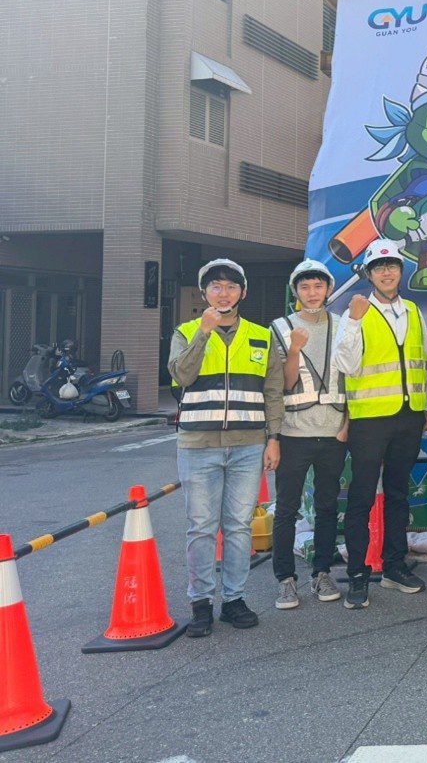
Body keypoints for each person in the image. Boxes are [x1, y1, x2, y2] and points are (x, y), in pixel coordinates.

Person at [168, 258, 284, 637]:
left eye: (231, 287)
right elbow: (181, 375)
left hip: (248, 446)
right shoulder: (186, 331)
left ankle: (234, 599)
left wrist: (273, 438)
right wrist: (203, 333)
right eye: (215, 286)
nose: (223, 293)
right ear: (205, 293)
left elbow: (273, 392)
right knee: (201, 527)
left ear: (243, 293)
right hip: (198, 445)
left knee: (238, 526)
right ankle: (201, 602)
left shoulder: (261, 335)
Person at [334, 239, 427, 610]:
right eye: (378, 267)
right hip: (370, 419)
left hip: (409, 416)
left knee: (398, 494)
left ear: (400, 271)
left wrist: (426, 406)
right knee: (361, 497)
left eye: (392, 266)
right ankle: (358, 575)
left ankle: (394, 566)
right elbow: (345, 363)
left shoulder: (413, 311)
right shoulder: (357, 311)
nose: (386, 272)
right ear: (370, 275)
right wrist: (354, 321)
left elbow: (426, 361)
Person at [269, 260, 348, 610]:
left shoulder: (343, 325)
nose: (312, 293)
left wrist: (347, 424)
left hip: (333, 432)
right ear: (295, 291)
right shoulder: (281, 328)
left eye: (318, 286)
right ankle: (286, 580)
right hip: (293, 432)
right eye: (305, 287)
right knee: (287, 509)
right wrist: (294, 350)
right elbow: (282, 384)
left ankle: (322, 572)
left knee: (327, 506)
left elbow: (351, 378)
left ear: (328, 289)